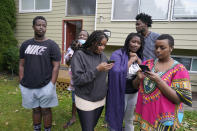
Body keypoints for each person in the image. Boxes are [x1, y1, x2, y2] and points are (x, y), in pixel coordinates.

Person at [134, 34, 192, 130]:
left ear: (171, 48)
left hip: (164, 121)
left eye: (162, 48)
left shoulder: (179, 69)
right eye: (156, 47)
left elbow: (178, 99)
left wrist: (158, 81)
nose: (158, 50)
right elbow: (136, 86)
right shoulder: (147, 64)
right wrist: (138, 78)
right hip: (146, 116)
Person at [19, 16, 61, 131]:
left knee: (46, 110)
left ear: (46, 28)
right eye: (38, 25)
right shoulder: (25, 45)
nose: (41, 27)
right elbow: (21, 64)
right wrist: (21, 81)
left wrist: (51, 85)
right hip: (28, 85)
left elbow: (56, 66)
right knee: (35, 109)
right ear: (33, 27)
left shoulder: (52, 45)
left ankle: (47, 129)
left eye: (44, 25)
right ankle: (36, 128)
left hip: (46, 85)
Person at [71, 30, 114, 131]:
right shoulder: (79, 55)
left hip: (100, 99)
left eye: (104, 45)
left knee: (92, 126)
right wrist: (97, 70)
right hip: (85, 98)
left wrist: (107, 68)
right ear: (92, 42)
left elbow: (102, 76)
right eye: (99, 44)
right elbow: (78, 80)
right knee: (88, 129)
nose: (102, 48)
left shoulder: (102, 56)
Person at [105, 33, 144, 131]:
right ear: (128, 42)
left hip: (133, 93)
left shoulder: (139, 56)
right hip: (119, 92)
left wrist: (138, 59)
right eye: (133, 41)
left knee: (130, 119)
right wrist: (131, 60)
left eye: (138, 43)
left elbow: (144, 69)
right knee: (115, 117)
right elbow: (116, 71)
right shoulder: (117, 54)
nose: (135, 45)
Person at [63, 30, 89, 129]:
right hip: (75, 78)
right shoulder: (72, 48)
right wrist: (69, 58)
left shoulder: (89, 48)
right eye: (80, 35)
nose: (82, 36)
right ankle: (73, 117)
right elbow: (67, 63)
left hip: (86, 77)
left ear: (88, 38)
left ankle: (86, 117)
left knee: (86, 98)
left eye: (84, 35)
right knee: (75, 99)